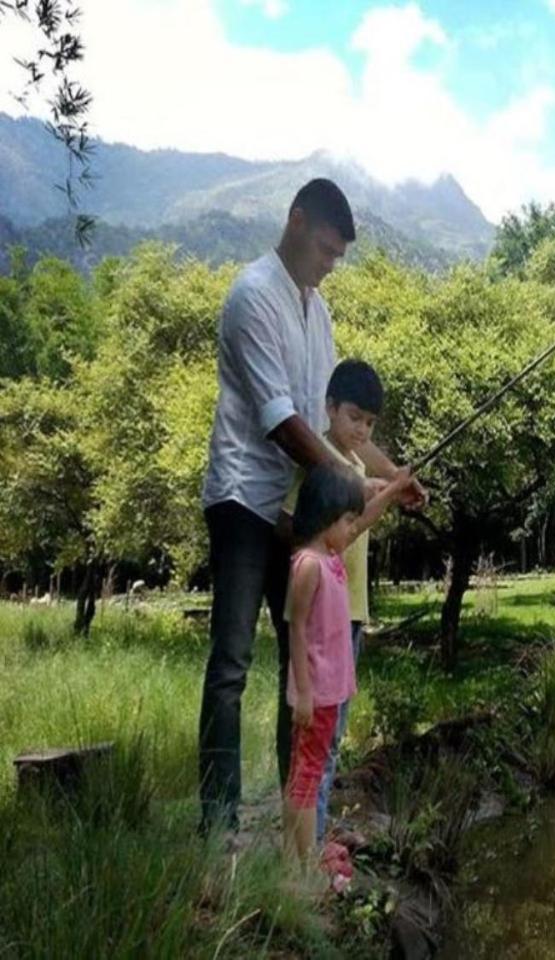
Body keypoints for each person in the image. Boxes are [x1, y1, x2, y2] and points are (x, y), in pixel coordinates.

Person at [198, 178, 422, 834]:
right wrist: (355, 489)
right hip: (243, 498)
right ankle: (218, 825)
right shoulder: (251, 298)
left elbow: (335, 429)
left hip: (295, 511)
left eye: (336, 257)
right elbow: (280, 421)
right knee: (232, 661)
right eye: (326, 249)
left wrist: (392, 476)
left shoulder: (316, 310)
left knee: (299, 661)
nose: (329, 264)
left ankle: (293, 819)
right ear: (297, 223)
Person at [278, 358, 389, 843]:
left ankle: (315, 847)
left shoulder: (359, 467)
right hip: (324, 630)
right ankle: (305, 855)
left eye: (369, 423)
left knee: (330, 747)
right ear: (329, 408)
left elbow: (359, 522)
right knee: (313, 757)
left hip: (351, 615)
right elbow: (297, 526)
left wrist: (395, 487)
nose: (361, 429)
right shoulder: (321, 462)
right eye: (354, 417)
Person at [281, 463, 409, 871]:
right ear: (325, 517)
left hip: (330, 692)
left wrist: (391, 490)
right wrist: (302, 692)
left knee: (312, 771)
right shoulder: (308, 565)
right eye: (347, 519)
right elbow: (296, 630)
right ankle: (300, 863)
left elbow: (358, 525)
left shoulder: (331, 557)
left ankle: (302, 855)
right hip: (314, 693)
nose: (353, 528)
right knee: (304, 778)